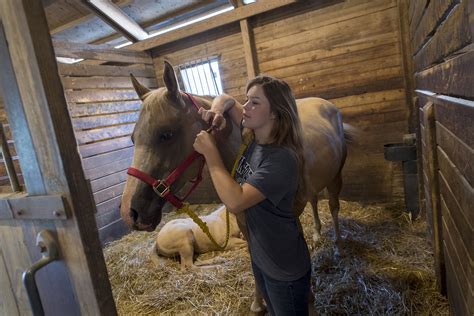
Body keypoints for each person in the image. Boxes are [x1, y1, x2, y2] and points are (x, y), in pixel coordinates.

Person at [193, 75, 311, 316]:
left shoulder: (281, 158)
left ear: (275, 113)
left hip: (283, 268)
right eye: (247, 100)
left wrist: (210, 154)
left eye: (254, 102)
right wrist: (216, 110)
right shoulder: (253, 138)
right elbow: (226, 99)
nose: (245, 106)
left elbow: (235, 200)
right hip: (261, 256)